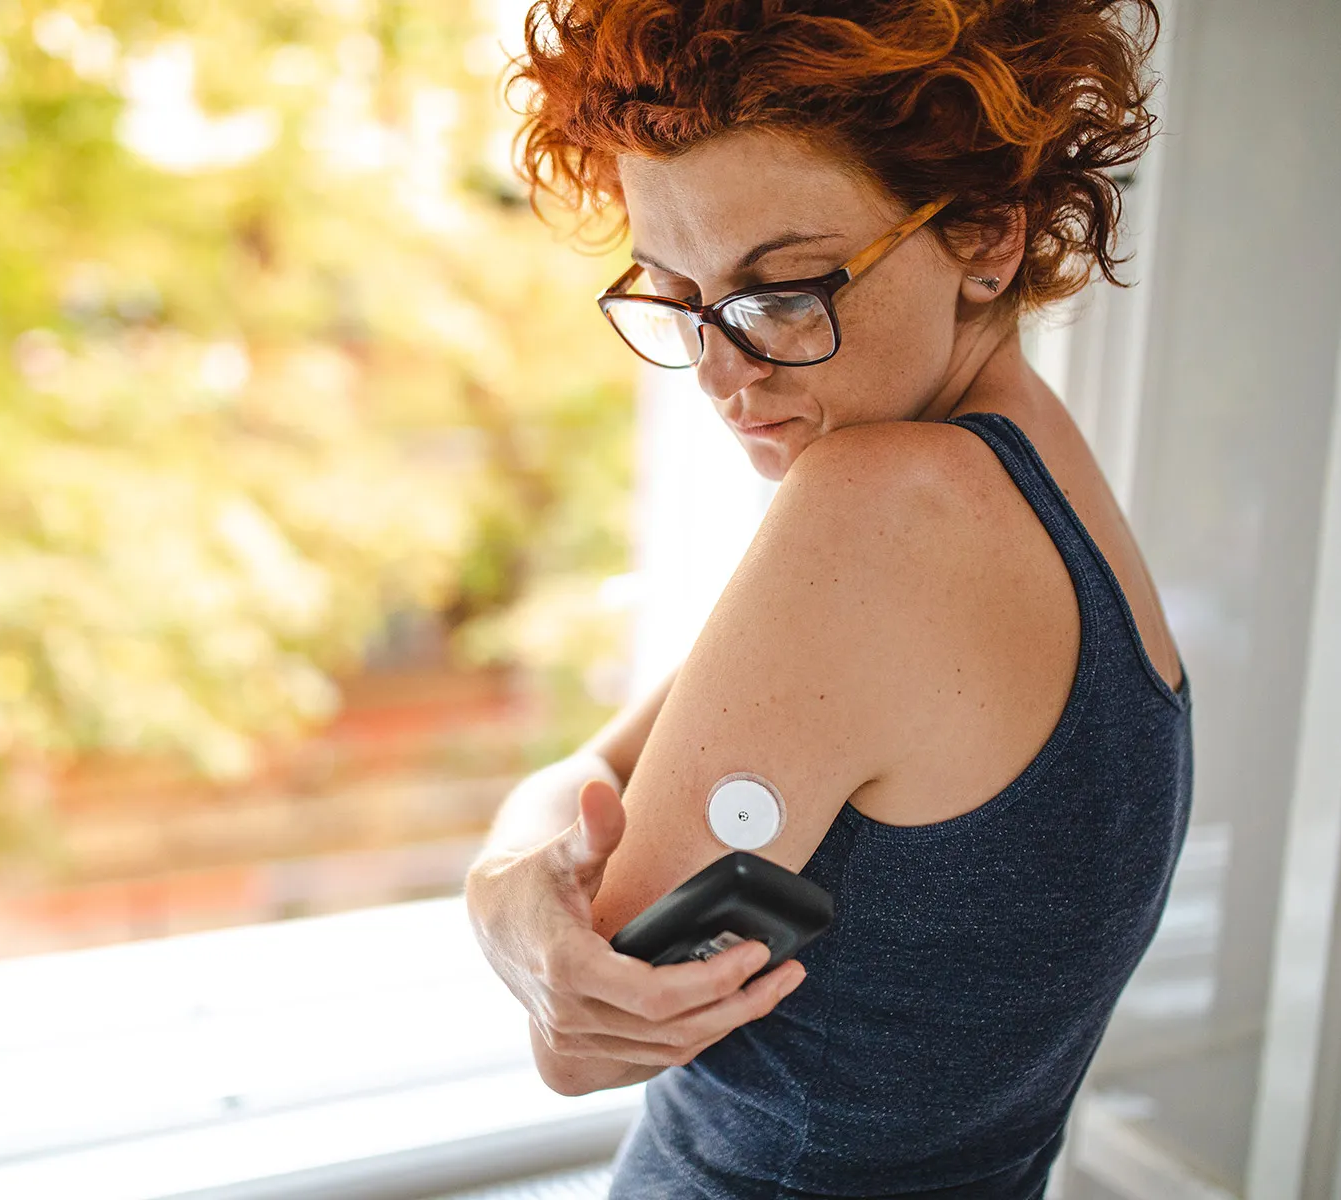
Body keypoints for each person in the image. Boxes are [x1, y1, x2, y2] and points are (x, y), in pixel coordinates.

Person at [460, 1, 1193, 1197]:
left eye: (785, 290)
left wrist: (522, 915)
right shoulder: (1042, 476)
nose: (721, 374)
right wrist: (504, 891)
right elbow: (591, 777)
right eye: (674, 295)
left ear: (987, 235)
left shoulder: (885, 505)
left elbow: (587, 1034)